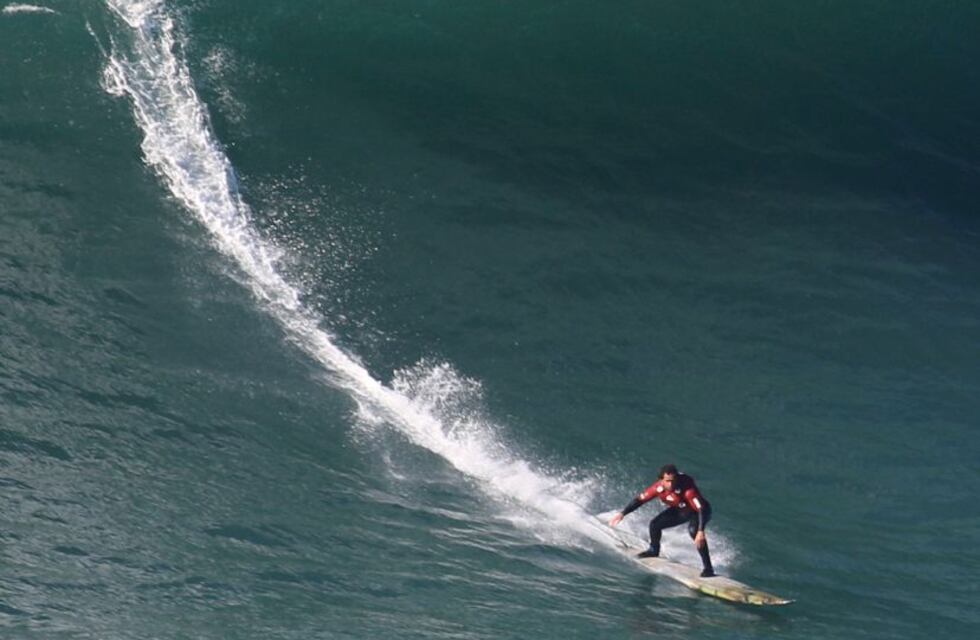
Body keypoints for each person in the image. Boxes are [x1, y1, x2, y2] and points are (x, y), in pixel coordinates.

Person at [608, 464, 715, 577]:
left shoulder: (688, 490)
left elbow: (701, 508)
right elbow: (639, 500)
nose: (671, 484)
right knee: (654, 524)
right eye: (667, 481)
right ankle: (654, 550)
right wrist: (622, 513)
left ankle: (708, 568)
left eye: (673, 481)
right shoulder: (657, 488)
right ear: (661, 480)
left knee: (694, 531)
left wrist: (701, 531)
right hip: (682, 510)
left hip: (700, 511)